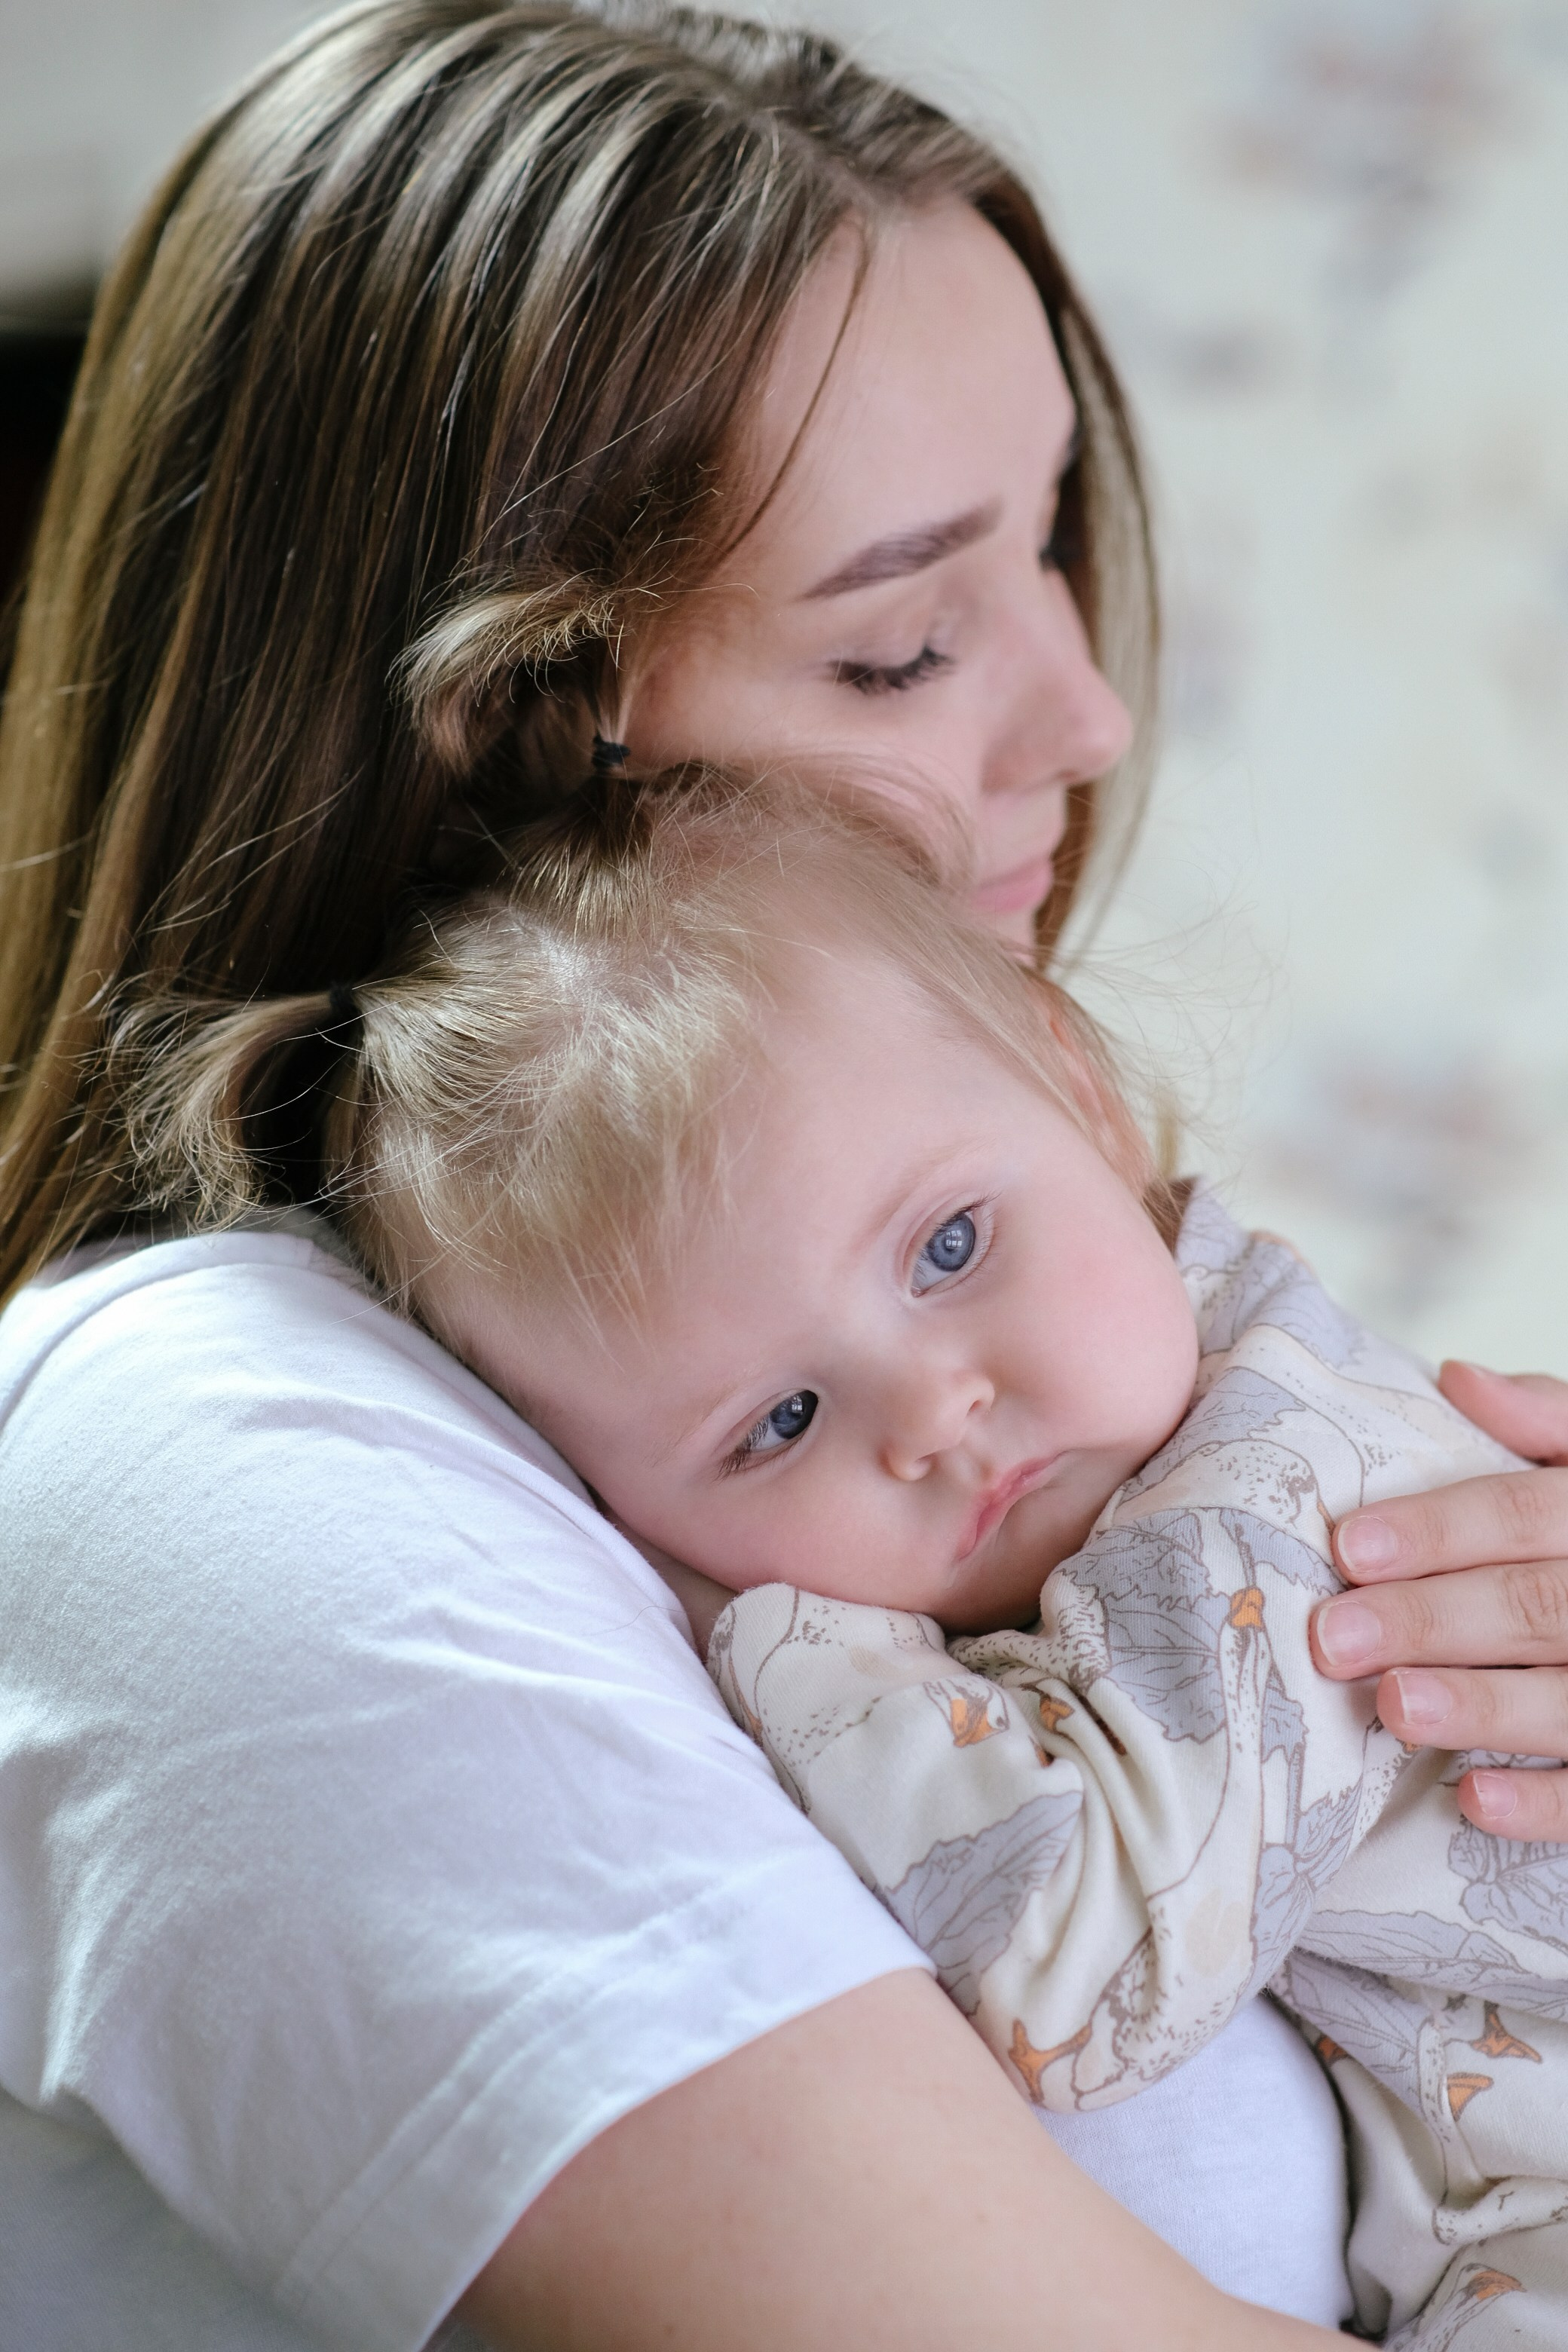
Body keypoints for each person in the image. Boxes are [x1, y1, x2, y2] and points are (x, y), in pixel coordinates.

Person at [0, 5, 1563, 2345]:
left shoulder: (1132, 1391)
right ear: (514, 745)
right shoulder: (203, 1444)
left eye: (1048, 540)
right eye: (909, 638)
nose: (1086, 712)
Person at [137, 771, 1565, 2348]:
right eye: (781, 1420)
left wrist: (770, 1637)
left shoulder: (1259, 1519)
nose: (932, 1415)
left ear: (1073, 1086)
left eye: (948, 1246)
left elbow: (1075, 1974)